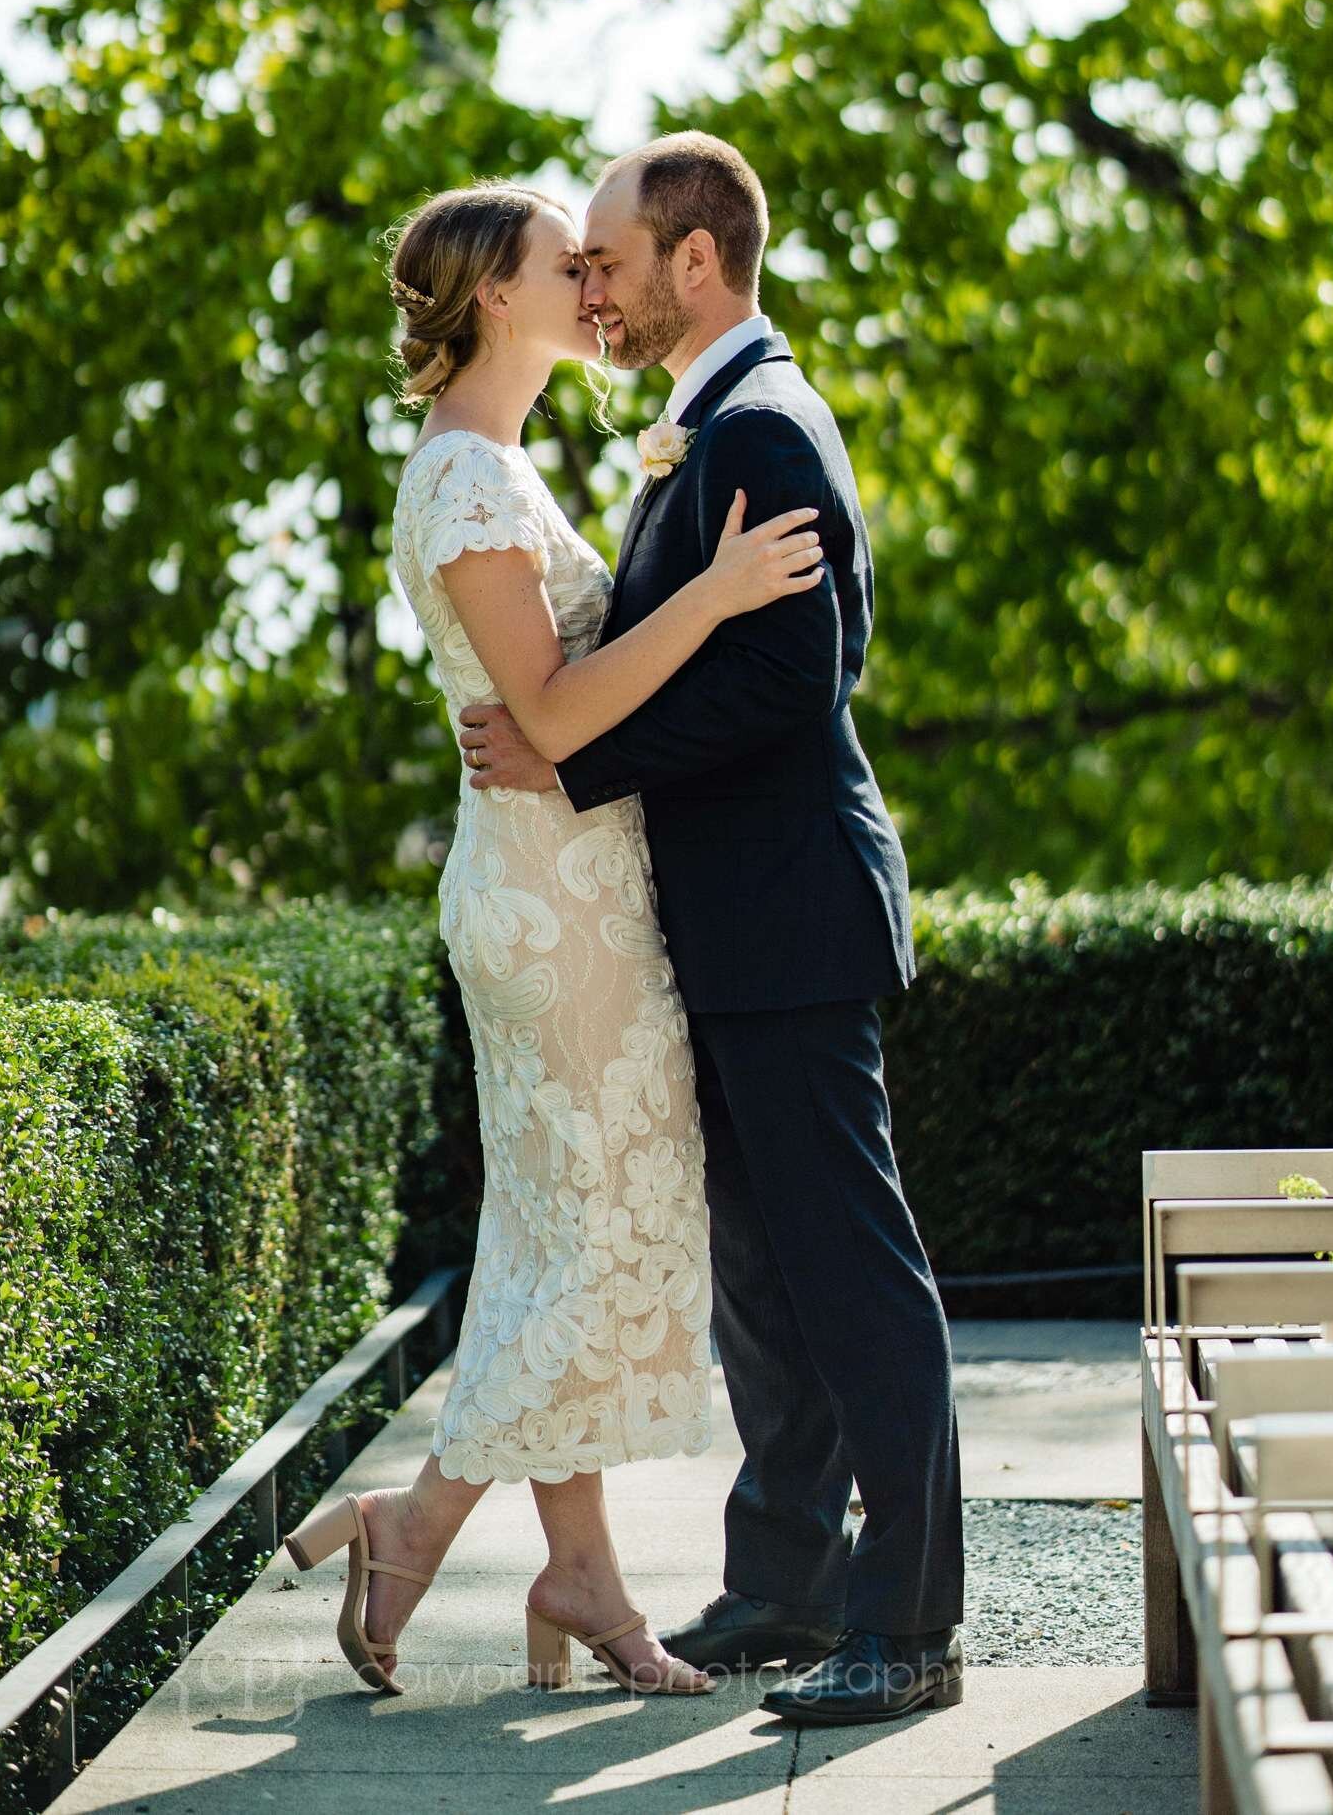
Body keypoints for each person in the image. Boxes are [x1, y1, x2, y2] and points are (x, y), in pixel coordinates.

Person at [281, 177, 826, 1698]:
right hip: (546, 908)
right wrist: (717, 596)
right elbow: (560, 712)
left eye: (599, 263)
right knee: (582, 1238)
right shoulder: (464, 483)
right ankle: (431, 1527)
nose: (594, 287)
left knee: (562, 1233)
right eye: (563, 264)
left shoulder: (501, 469)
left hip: (581, 888)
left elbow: (554, 710)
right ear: (492, 299)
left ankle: (566, 1571)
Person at [460, 133, 966, 1727]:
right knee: (766, 1277)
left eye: (606, 259)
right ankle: (786, 1582)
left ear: (696, 262)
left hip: (793, 915)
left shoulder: (764, 426)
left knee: (853, 1273)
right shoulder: (704, 425)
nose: (591, 286)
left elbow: (785, 682)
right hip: (731, 929)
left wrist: (576, 752)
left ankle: (912, 1630)